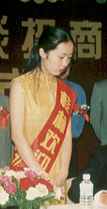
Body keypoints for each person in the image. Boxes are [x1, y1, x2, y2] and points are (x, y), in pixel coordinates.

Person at [10, 26, 76, 189]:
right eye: (61, 57)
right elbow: (17, 136)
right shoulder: (21, 85)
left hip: (57, 175)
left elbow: (67, 136)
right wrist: (39, 174)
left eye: (69, 57)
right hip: (28, 171)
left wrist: (64, 171)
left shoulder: (66, 92)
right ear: (42, 52)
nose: (65, 63)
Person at [57, 63, 87, 178]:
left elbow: (81, 119)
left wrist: (70, 136)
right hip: (47, 144)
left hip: (69, 146)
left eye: (67, 66)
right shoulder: (44, 88)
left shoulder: (77, 90)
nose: (63, 69)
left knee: (69, 182)